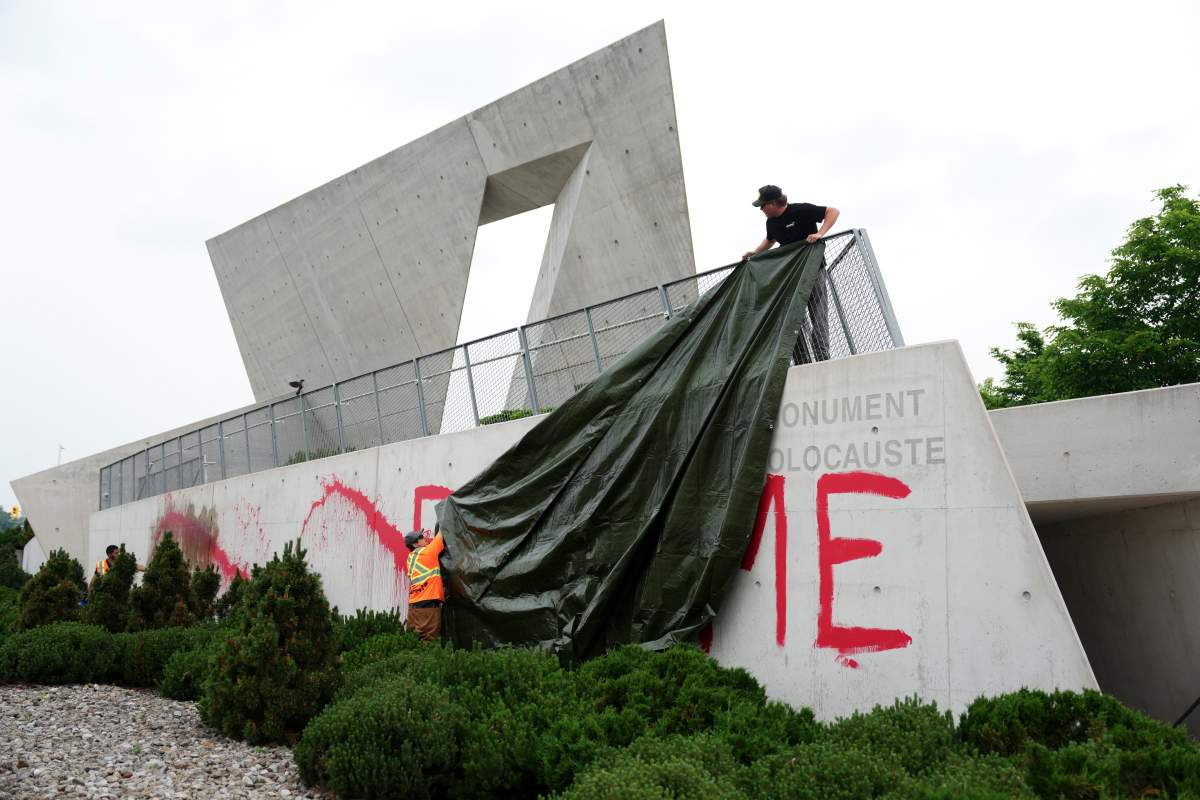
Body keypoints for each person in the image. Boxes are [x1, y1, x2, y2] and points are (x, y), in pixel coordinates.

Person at [742, 185, 840, 362]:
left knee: (818, 315)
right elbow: (770, 239)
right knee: (793, 317)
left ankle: (822, 356)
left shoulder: (801, 210)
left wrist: (820, 233)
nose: (761, 210)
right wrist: (755, 253)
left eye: (763, 206)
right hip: (791, 277)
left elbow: (833, 212)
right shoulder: (771, 222)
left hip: (813, 272)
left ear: (772, 203)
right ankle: (802, 359)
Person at [405, 527, 446, 643]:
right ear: (415, 544)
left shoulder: (410, 559)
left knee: (414, 641)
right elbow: (441, 534)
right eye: (421, 537)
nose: (425, 538)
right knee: (428, 642)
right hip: (427, 607)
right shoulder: (428, 552)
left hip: (413, 608)